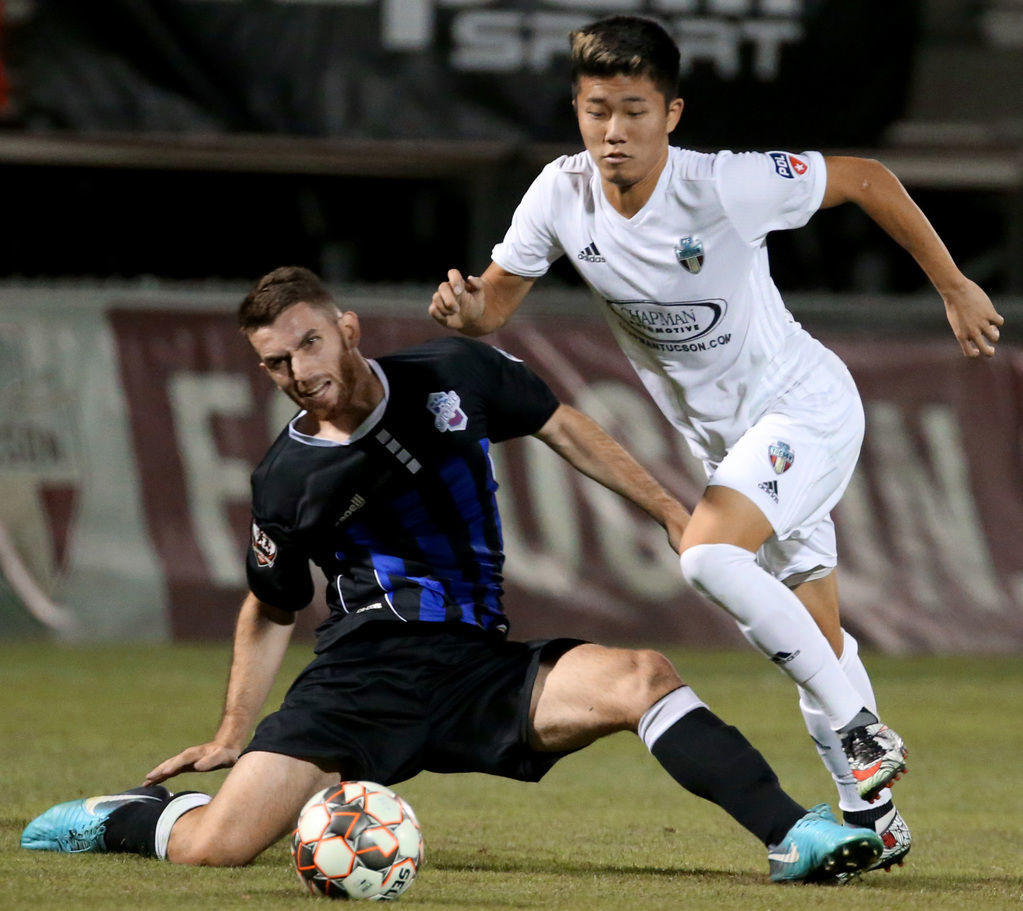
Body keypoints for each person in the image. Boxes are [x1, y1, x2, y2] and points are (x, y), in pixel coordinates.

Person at [22, 265, 884, 884]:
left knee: (641, 676)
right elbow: (271, 605)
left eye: (309, 344)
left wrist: (666, 510)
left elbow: (561, 424)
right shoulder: (285, 479)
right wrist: (230, 729)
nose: (300, 373)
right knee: (218, 845)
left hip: (479, 664)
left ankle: (792, 833)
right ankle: (123, 816)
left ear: (346, 327)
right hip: (364, 678)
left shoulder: (453, 376)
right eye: (277, 364)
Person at [430, 15, 1003, 875]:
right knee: (816, 631)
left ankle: (858, 725)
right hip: (734, 445)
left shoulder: (725, 185)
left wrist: (954, 286)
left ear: (672, 115)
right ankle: (871, 814)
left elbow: (868, 178)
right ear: (577, 111)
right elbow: (498, 301)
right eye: (595, 111)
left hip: (803, 411)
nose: (612, 131)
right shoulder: (559, 193)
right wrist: (470, 313)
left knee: (704, 556)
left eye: (632, 110)